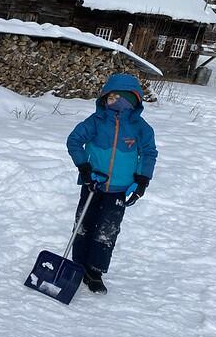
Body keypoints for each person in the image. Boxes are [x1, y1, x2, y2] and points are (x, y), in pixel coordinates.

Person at [66, 73, 158, 294]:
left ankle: (94, 271)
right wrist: (84, 167)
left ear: (132, 101)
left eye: (119, 98)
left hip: (119, 189)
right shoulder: (96, 122)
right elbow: (74, 141)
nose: (113, 102)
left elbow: (148, 153)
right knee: (83, 226)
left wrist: (142, 180)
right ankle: (78, 265)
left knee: (106, 232)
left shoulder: (140, 128)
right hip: (93, 185)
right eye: (110, 97)